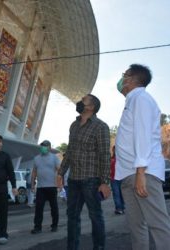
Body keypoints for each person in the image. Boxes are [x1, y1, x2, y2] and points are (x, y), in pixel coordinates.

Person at [115, 64, 170, 250]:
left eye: (124, 75)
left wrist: (141, 172)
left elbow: (142, 135)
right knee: (137, 228)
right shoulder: (132, 101)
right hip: (129, 173)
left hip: (142, 173)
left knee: (158, 225)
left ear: (131, 78)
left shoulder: (141, 99)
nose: (121, 80)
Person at [57, 94, 111, 250]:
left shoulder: (101, 127)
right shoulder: (73, 126)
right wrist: (60, 173)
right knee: (72, 217)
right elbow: (70, 151)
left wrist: (104, 182)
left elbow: (104, 155)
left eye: (84, 100)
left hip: (91, 181)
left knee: (95, 216)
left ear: (91, 107)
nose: (79, 102)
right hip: (73, 180)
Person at [30, 140, 60, 234]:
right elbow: (34, 171)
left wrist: (60, 184)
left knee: (54, 207)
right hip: (41, 187)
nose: (43, 147)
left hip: (52, 186)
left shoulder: (54, 158)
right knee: (39, 208)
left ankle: (54, 225)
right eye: (42, 146)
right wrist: (32, 184)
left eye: (45, 146)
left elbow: (59, 171)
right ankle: (37, 227)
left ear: (49, 148)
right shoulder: (36, 158)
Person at [110, 145, 125, 215]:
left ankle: (122, 207)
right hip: (114, 179)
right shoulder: (111, 159)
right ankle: (119, 208)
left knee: (122, 194)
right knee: (116, 194)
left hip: (122, 178)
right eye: (114, 150)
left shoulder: (122, 159)